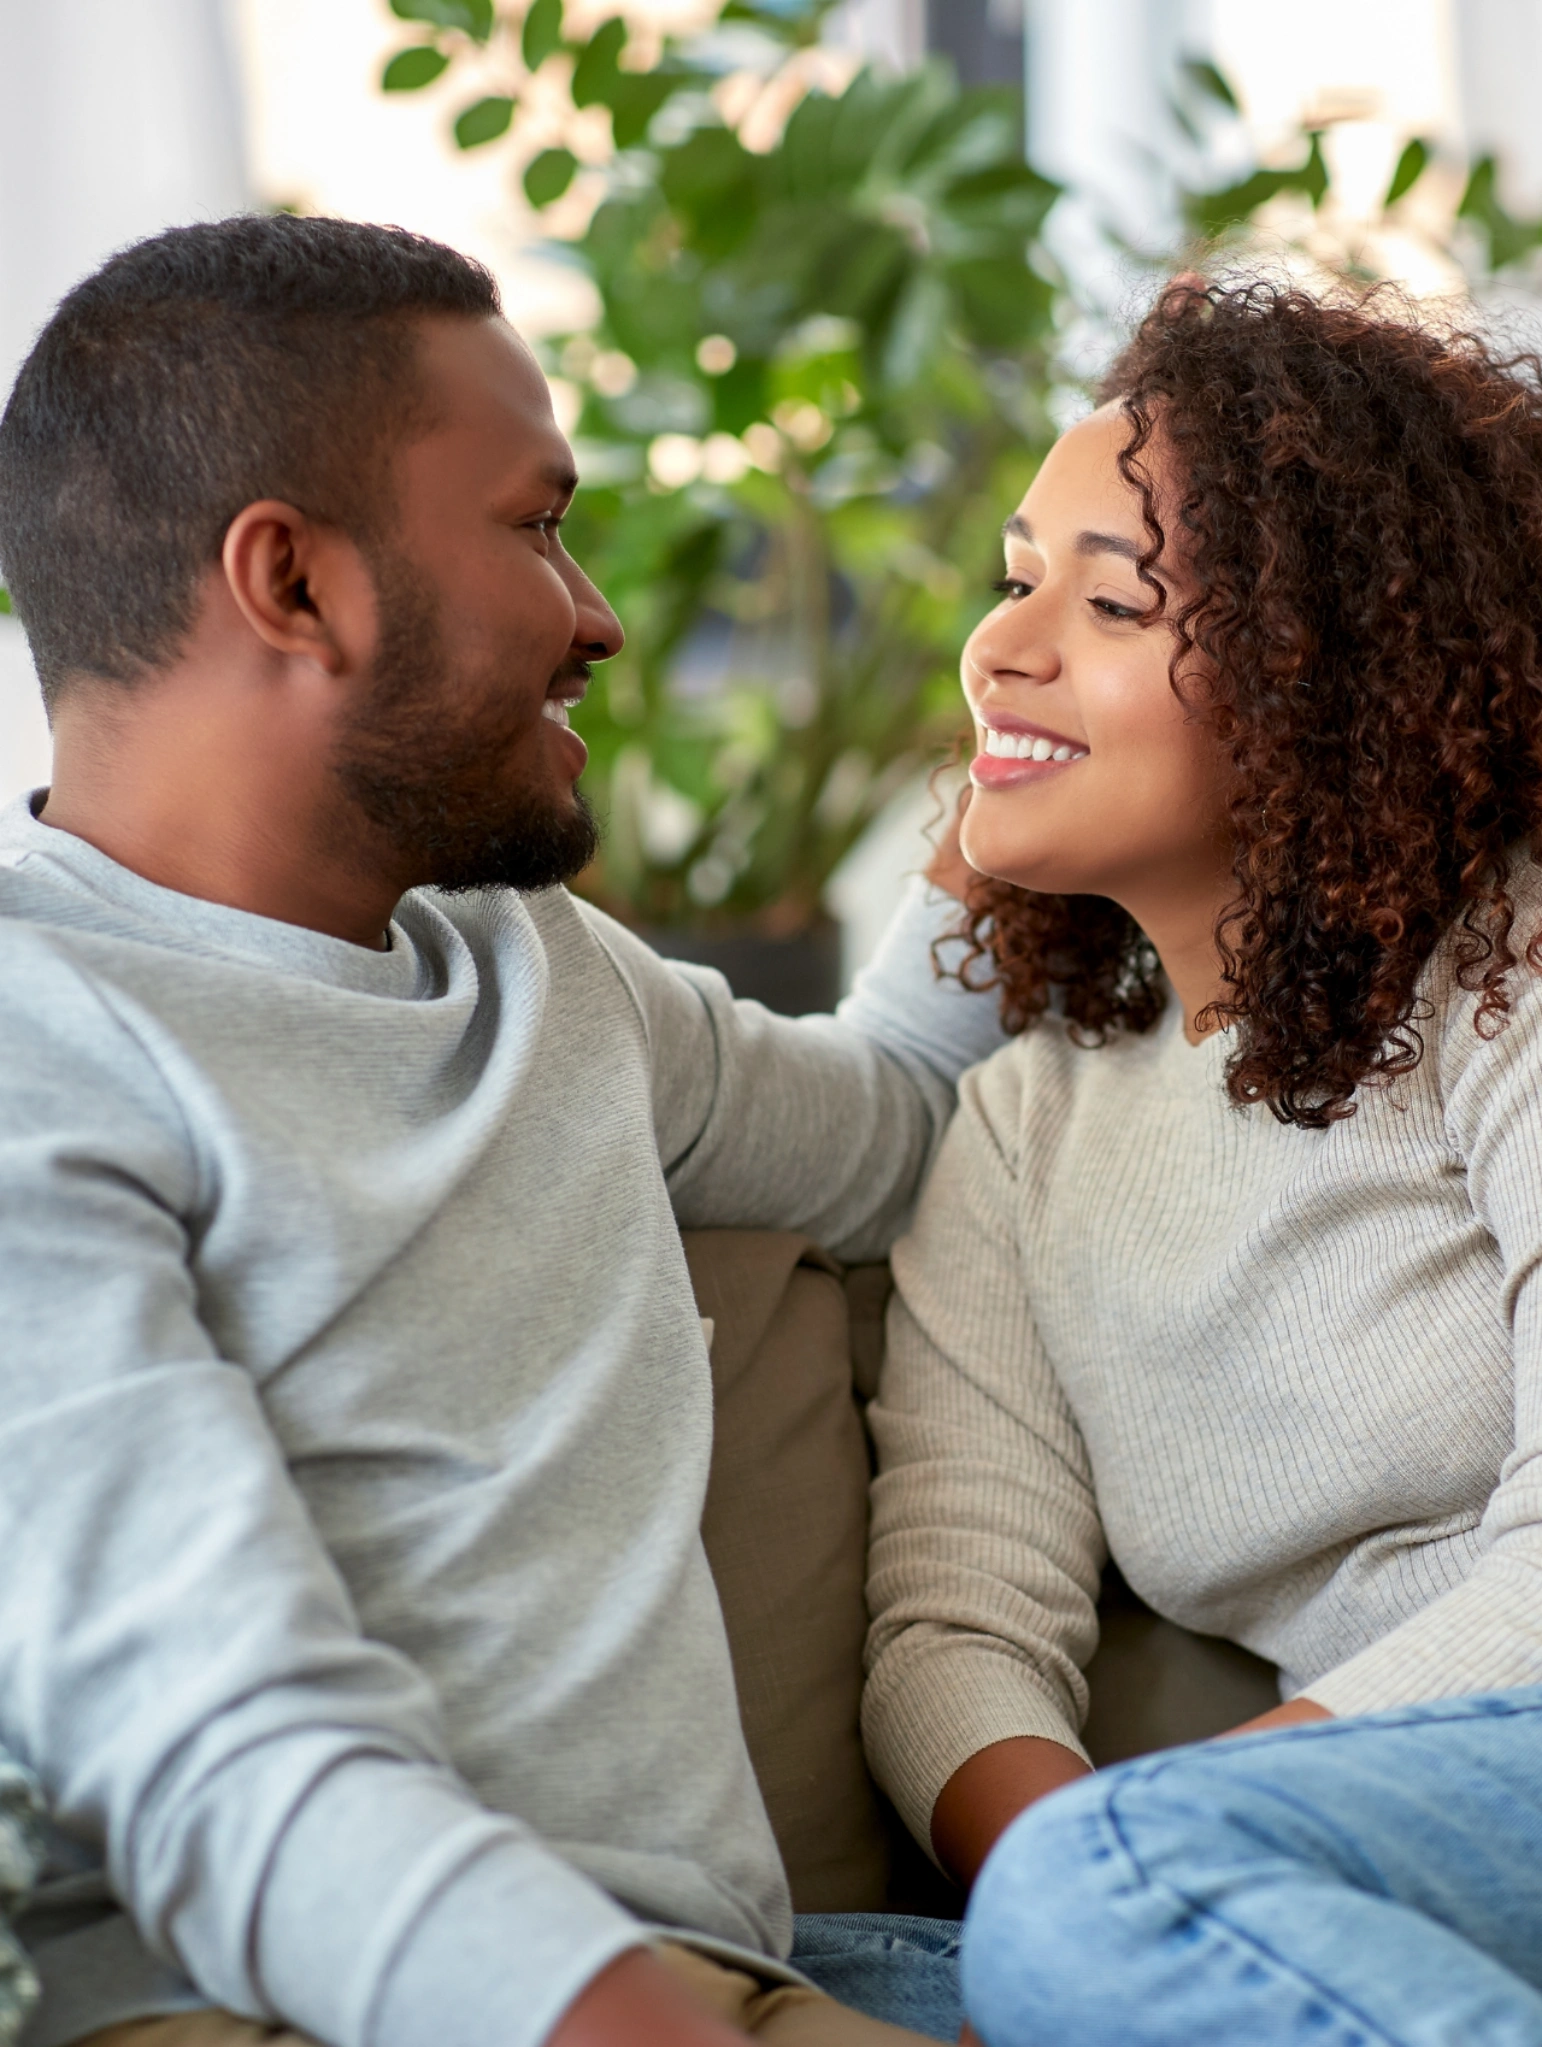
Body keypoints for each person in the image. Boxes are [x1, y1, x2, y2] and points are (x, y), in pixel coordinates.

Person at [0, 215, 1000, 2047]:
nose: (601, 615)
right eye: (537, 526)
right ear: (293, 585)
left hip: (727, 1983)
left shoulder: (540, 968)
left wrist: (1019, 780)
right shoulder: (34, 1039)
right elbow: (218, 1746)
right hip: (252, 2005)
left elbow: (902, 1122)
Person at [861, 277, 1542, 2044]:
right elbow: (954, 1625)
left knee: (1095, 1909)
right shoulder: (1023, 1129)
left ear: (1330, 670)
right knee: (810, 1961)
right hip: (1320, 1851)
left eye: (1107, 601)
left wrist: (1132, 1857)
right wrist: (1064, 1866)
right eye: (1017, 580)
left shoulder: (1510, 975)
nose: (999, 652)